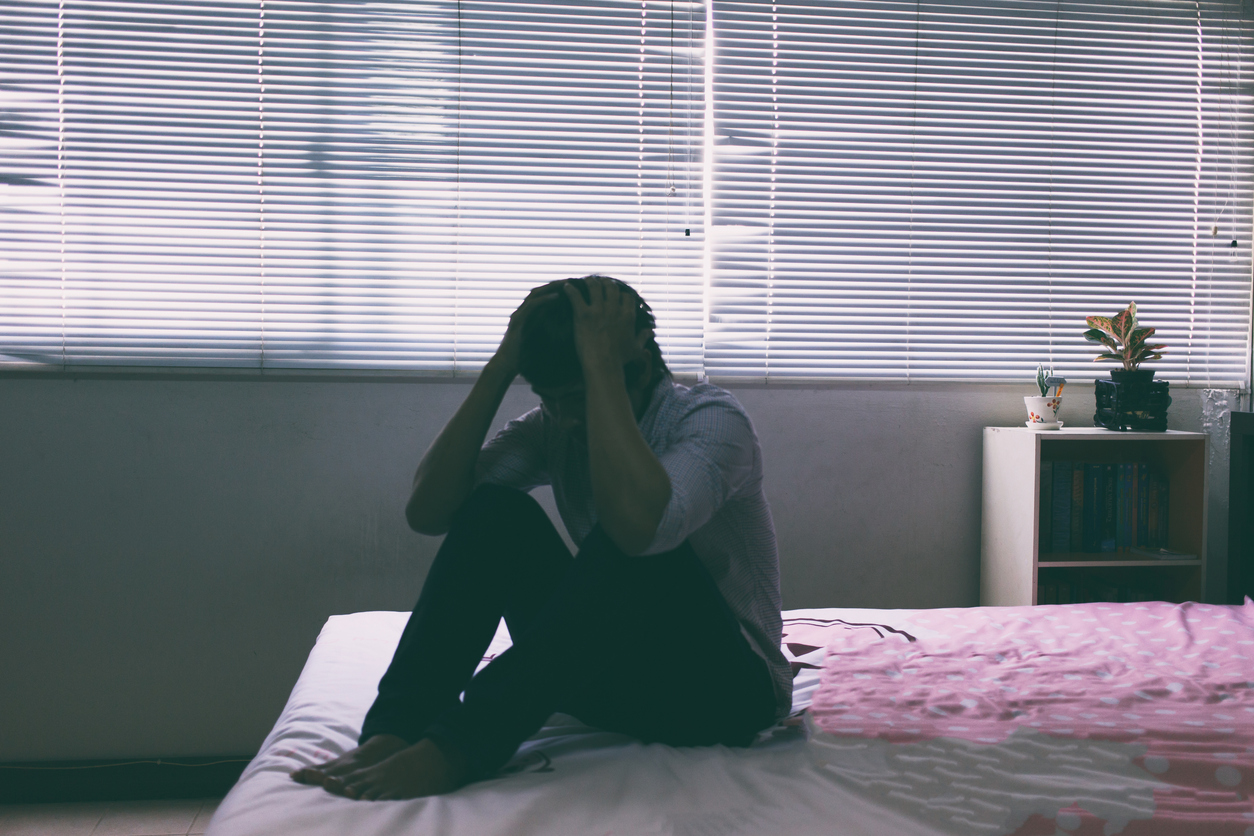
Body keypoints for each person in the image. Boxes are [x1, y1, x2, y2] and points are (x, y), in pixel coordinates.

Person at [291, 275, 791, 800]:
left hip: (724, 694)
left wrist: (601, 370)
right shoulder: (554, 427)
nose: (566, 417)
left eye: (577, 398)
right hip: (609, 684)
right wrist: (503, 365)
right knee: (493, 512)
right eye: (551, 400)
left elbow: (644, 531)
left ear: (638, 367)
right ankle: (398, 729)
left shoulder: (711, 421)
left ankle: (457, 749)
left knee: (632, 541)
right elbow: (430, 511)